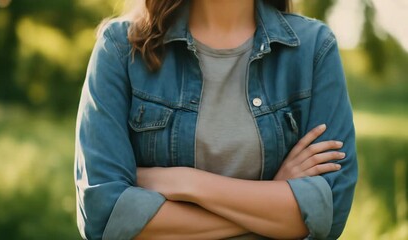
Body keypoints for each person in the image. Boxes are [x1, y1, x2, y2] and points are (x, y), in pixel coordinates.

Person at [74, 0, 358, 239]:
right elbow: (104, 214)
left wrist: (188, 183)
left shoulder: (313, 49)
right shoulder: (120, 49)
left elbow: (329, 211)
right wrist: (273, 203)